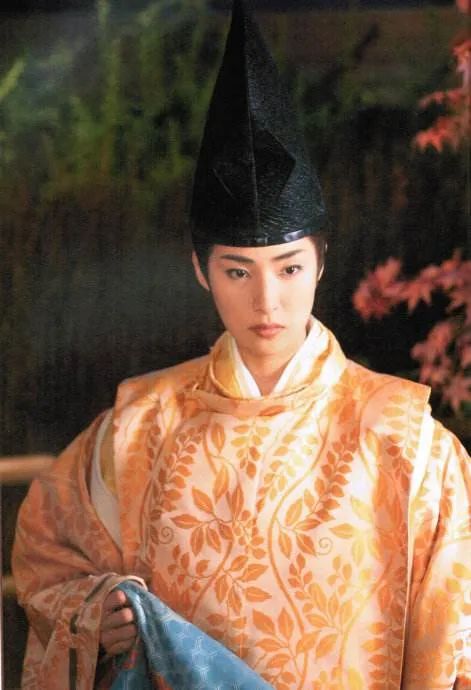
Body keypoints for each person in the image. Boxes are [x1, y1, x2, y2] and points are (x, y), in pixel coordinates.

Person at [13, 1, 470, 689]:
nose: (266, 302)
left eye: (288, 268)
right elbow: (47, 557)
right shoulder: (137, 429)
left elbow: (455, 642)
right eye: (237, 272)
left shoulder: (408, 440)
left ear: (321, 263)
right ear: (201, 271)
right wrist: (92, 614)